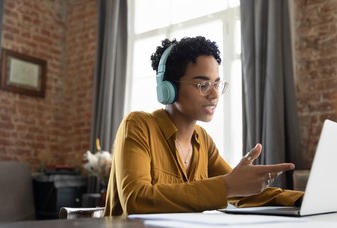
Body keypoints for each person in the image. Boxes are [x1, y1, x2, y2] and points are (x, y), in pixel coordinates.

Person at [103, 36, 304, 217]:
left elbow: (241, 190)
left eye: (216, 84)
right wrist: (226, 186)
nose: (214, 95)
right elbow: (136, 198)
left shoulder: (203, 140)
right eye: (203, 85)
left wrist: (302, 199)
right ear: (168, 89)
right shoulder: (138, 126)